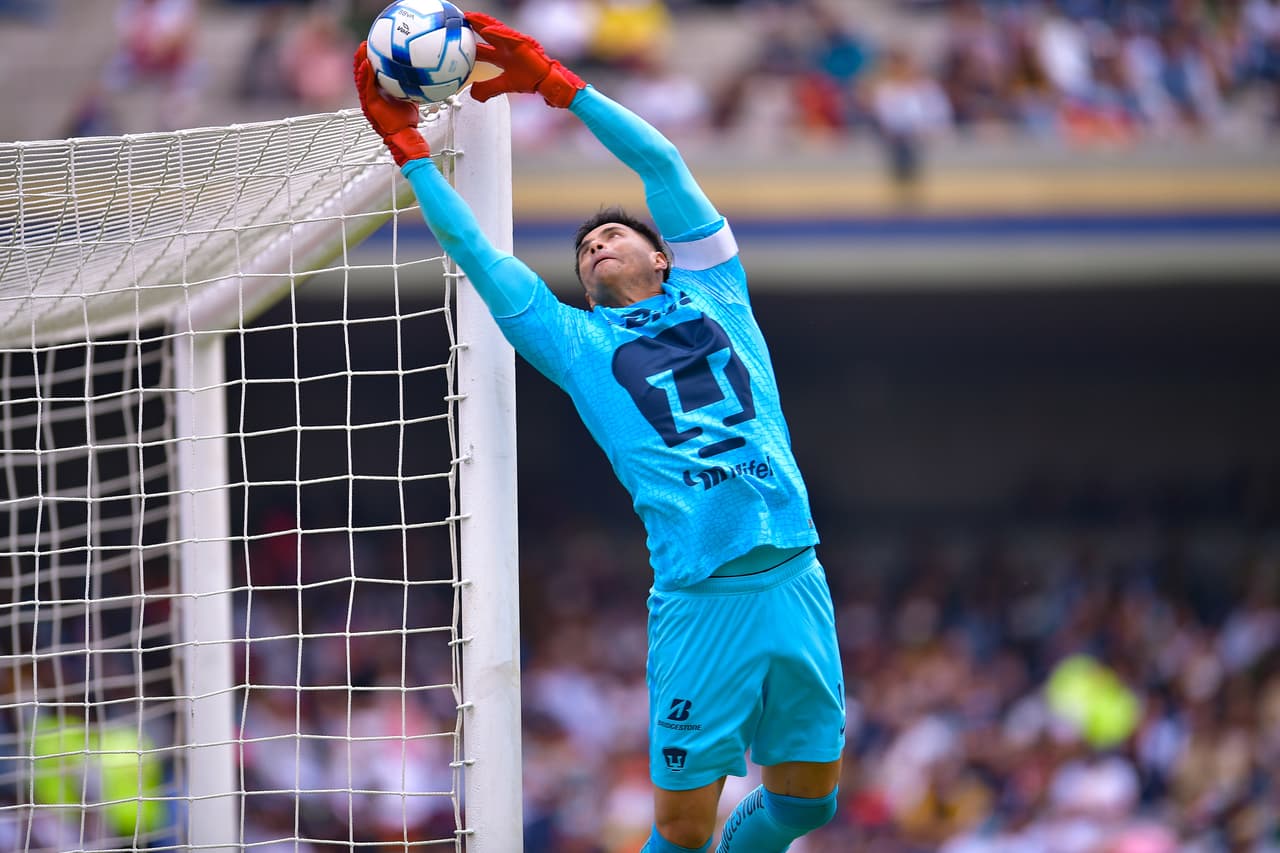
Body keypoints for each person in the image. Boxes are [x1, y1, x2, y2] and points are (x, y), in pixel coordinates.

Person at [353, 14, 846, 852]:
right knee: (681, 827)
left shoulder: (717, 291)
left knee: (809, 805)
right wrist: (410, 154)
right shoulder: (580, 345)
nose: (594, 246)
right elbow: (473, 249)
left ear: (664, 258)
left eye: (612, 234)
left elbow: (661, 163)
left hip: (798, 573)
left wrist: (558, 84)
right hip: (701, 596)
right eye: (583, 248)